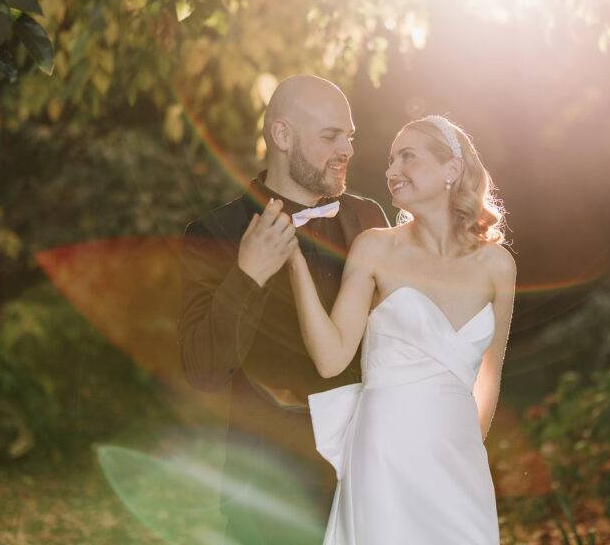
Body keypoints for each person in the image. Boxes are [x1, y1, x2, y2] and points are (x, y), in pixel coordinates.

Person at [177, 75, 388, 545]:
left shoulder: (371, 221)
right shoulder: (214, 232)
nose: (346, 149)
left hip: (367, 483)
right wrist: (246, 276)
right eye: (330, 136)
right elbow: (203, 371)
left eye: (349, 136)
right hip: (267, 500)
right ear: (282, 135)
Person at [285, 115, 515, 544]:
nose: (391, 171)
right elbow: (331, 357)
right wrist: (294, 264)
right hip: (384, 448)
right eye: (391, 161)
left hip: (458, 455)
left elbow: (489, 374)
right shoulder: (375, 247)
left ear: (452, 169)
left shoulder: (499, 265)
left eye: (407, 157)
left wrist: (465, 446)